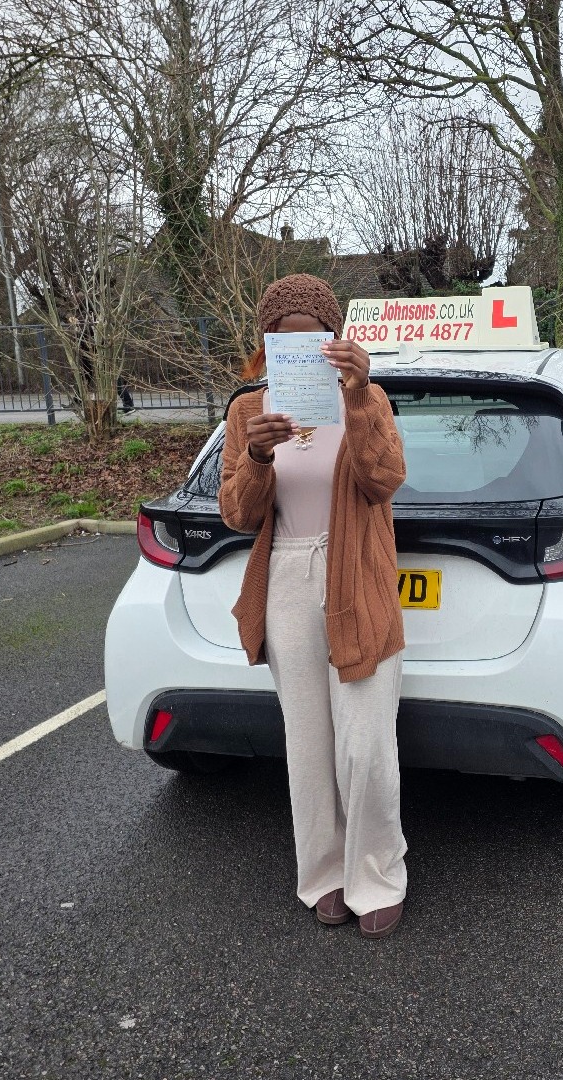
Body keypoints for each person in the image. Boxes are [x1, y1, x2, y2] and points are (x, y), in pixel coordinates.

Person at [218, 274, 408, 939]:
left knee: (364, 743)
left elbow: (384, 477)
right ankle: (324, 872)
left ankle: (379, 873)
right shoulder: (249, 412)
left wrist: (357, 393)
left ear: (335, 338)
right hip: (287, 579)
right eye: (285, 340)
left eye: (315, 338)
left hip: (356, 572)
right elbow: (239, 514)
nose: (301, 350)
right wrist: (256, 453)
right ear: (266, 346)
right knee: (308, 742)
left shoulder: (368, 395)